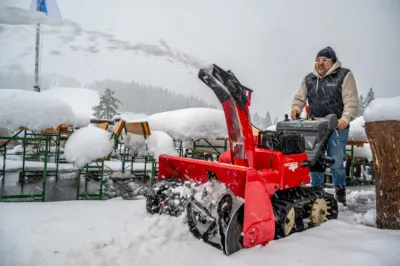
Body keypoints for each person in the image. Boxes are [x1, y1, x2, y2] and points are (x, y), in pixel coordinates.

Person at [290, 46, 359, 206]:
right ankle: (316, 194)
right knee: (315, 161)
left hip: (337, 127)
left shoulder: (344, 75)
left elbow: (351, 100)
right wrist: (296, 108)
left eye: (324, 60)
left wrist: (345, 118)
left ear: (333, 62)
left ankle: (340, 195)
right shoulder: (309, 79)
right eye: (318, 60)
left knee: (336, 162)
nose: (320, 63)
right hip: (315, 128)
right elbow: (300, 98)